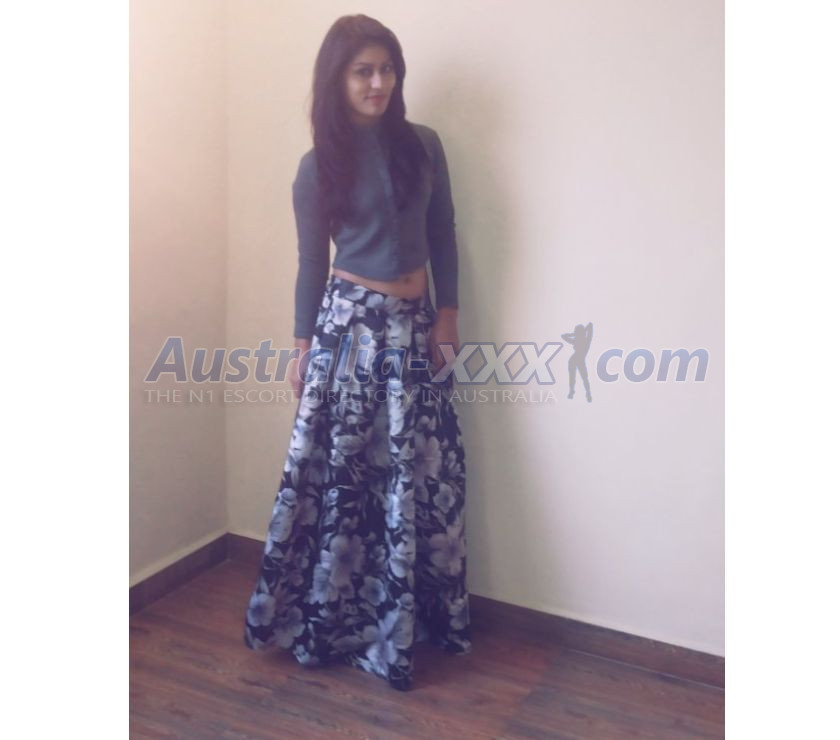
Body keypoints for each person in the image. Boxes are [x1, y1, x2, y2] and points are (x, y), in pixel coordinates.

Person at [243, 14, 472, 692]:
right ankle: (330, 623)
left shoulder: (423, 145)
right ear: (337, 80)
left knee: (419, 476)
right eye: (363, 71)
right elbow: (311, 262)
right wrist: (302, 349)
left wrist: (448, 315)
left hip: (415, 325)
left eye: (387, 69)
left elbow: (443, 231)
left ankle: (408, 623)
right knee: (345, 481)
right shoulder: (318, 166)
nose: (378, 83)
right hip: (350, 329)